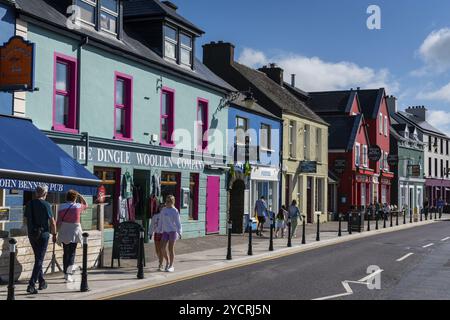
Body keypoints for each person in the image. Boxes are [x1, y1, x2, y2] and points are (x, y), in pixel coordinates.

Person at [24, 185, 57, 294]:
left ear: (36, 193)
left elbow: (26, 220)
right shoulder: (46, 205)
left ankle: (42, 282)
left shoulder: (29, 204)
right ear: (45, 194)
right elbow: (52, 221)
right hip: (43, 234)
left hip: (32, 234)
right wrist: (54, 234)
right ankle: (31, 284)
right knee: (39, 259)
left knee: (38, 258)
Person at [56, 190, 88, 283]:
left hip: (64, 231)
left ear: (67, 197)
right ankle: (68, 274)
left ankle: (66, 273)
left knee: (65, 253)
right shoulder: (78, 206)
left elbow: (58, 221)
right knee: (72, 253)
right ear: (75, 198)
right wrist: (80, 195)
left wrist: (56, 232)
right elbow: (86, 204)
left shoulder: (61, 206)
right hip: (74, 231)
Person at [160, 195, 182, 272]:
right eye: (166, 201)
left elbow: (178, 222)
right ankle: (167, 261)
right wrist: (160, 229)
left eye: (169, 201)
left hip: (173, 231)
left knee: (170, 248)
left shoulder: (174, 211)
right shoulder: (163, 210)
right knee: (162, 248)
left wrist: (179, 232)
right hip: (165, 231)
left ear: (172, 202)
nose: (167, 202)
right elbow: (161, 221)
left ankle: (171, 265)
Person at [149, 202, 165, 271]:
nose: (161, 208)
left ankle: (160, 264)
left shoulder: (166, 216)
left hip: (163, 234)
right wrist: (150, 233)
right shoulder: (155, 216)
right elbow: (152, 225)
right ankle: (160, 259)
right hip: (156, 233)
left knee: (161, 249)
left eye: (163, 207)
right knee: (157, 250)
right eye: (160, 207)